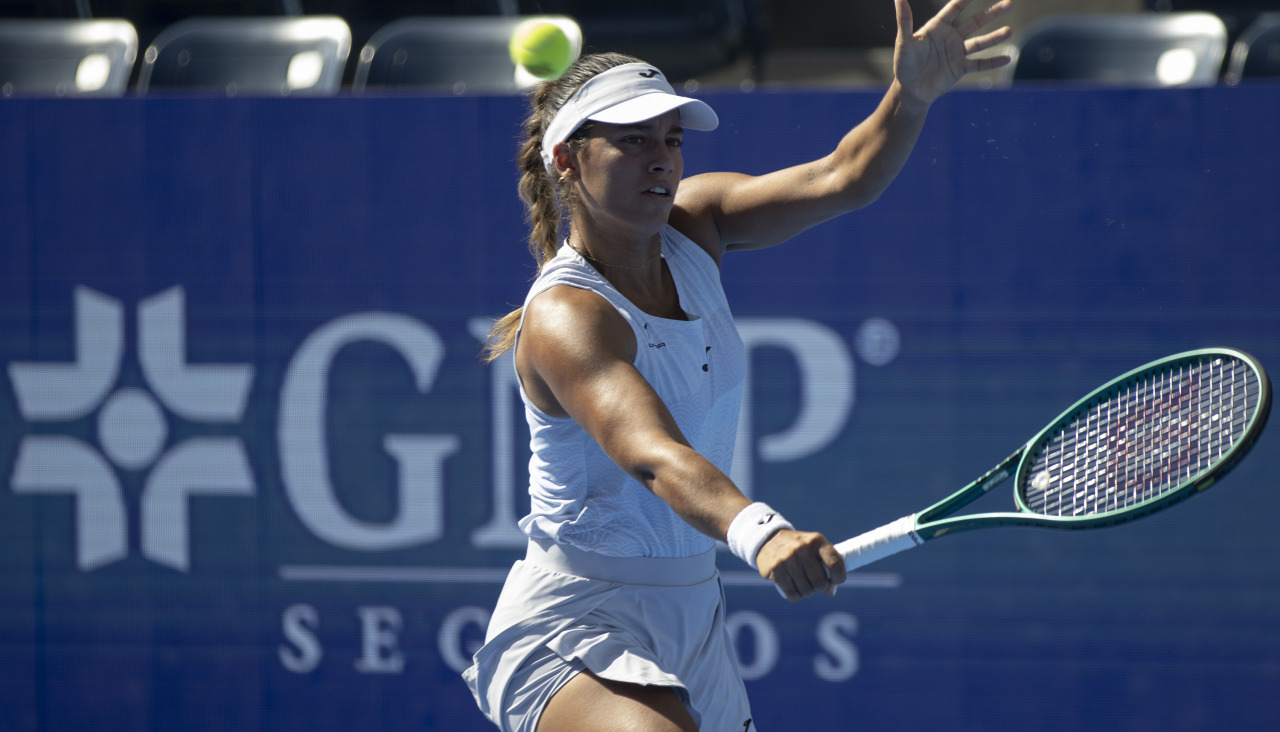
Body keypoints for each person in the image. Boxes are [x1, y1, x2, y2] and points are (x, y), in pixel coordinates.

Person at [464, 1, 1013, 729]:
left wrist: (908, 96)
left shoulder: (698, 222)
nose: (663, 157)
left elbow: (843, 177)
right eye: (633, 141)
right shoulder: (569, 315)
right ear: (568, 159)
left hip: (695, 611)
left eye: (671, 138)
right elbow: (654, 456)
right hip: (574, 624)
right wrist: (765, 531)